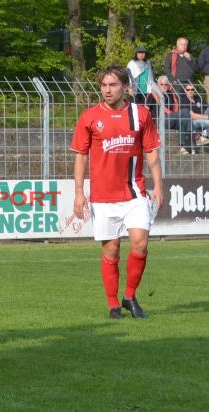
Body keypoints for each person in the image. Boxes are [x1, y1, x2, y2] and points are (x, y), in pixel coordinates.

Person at [70, 65, 163, 320]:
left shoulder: (140, 114)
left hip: (135, 193)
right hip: (103, 196)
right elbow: (80, 156)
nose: (107, 90)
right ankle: (113, 304)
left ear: (125, 87)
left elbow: (152, 152)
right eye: (104, 85)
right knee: (111, 250)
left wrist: (159, 186)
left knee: (140, 243)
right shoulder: (89, 117)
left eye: (113, 85)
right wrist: (79, 192)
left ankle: (130, 296)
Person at [146, 75, 194, 154]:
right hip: (160, 120)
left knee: (183, 120)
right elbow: (146, 109)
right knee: (185, 111)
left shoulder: (170, 94)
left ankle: (182, 146)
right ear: (158, 85)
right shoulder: (153, 95)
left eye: (166, 84)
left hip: (171, 119)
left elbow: (175, 108)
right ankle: (195, 134)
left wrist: (173, 93)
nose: (164, 86)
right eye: (161, 84)